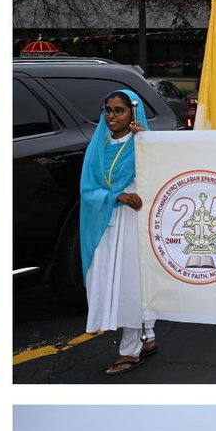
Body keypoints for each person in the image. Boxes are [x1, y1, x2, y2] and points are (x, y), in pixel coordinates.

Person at [80, 89, 155, 373]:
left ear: (132, 113)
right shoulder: (98, 145)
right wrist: (116, 197)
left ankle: (130, 349)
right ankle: (148, 337)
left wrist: (144, 141)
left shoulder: (143, 143)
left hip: (134, 222)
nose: (111, 116)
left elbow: (159, 173)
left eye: (119, 110)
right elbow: (87, 189)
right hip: (105, 221)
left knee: (131, 283)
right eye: (108, 110)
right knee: (110, 280)